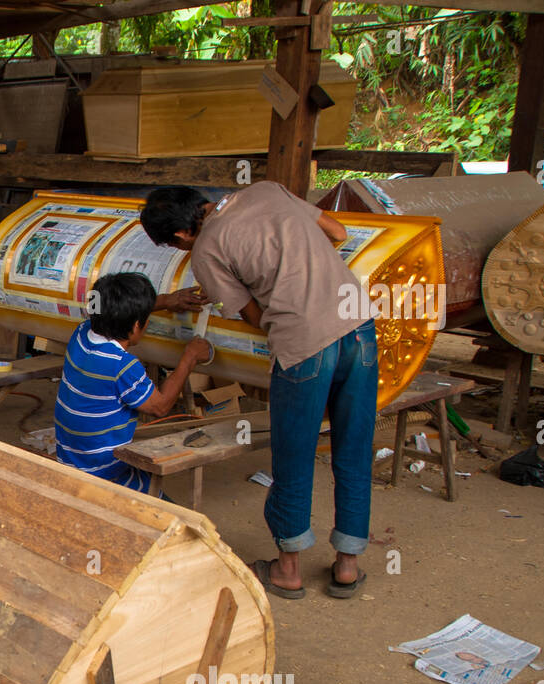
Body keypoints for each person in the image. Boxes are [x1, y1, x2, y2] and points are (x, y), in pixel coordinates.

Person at [140, 182, 377, 599]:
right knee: (354, 447)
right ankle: (347, 565)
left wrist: (289, 296)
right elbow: (337, 233)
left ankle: (288, 570)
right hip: (358, 327)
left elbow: (252, 315)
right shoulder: (267, 190)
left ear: (179, 235)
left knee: (294, 456)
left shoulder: (206, 251)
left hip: (304, 344)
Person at [55, 272, 212, 492]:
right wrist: (190, 358)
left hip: (72, 461)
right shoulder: (122, 366)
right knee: (168, 515)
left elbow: (109, 311)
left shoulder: (81, 333)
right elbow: (160, 406)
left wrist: (167, 300)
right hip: (104, 476)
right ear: (137, 325)